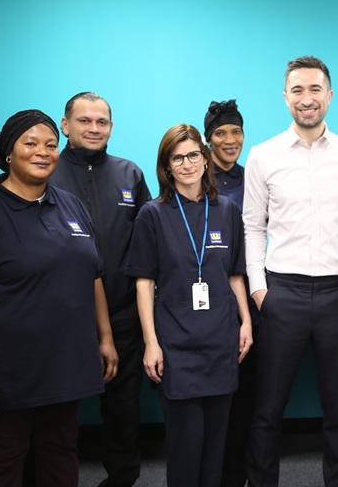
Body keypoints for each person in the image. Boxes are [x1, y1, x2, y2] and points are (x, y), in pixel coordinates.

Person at [243, 55, 338, 487]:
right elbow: (252, 227)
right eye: (297, 90)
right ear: (285, 97)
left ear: (329, 96)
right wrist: (261, 291)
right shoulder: (263, 156)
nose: (306, 98)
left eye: (315, 89)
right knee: (267, 409)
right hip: (282, 294)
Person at [0, 109, 117, 486]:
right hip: (10, 372)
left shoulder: (71, 205)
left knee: (60, 454)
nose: (43, 152)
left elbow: (94, 275)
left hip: (66, 364)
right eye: (31, 143)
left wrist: (104, 338)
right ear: (9, 152)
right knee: (4, 460)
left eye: (51, 145)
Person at [125, 124, 252, 487]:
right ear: (166, 166)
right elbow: (144, 282)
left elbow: (235, 276)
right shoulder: (153, 213)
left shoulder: (226, 210)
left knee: (216, 446)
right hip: (176, 344)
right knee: (186, 444)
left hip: (221, 340)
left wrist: (245, 323)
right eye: (176, 158)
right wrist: (151, 342)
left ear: (205, 157)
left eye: (193, 154)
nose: (186, 164)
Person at [48, 91, 151, 487]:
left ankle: (123, 478)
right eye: (84, 121)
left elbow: (147, 243)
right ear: (65, 125)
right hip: (62, 317)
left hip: (122, 312)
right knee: (57, 411)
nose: (94, 128)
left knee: (123, 408)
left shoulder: (130, 174)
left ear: (111, 127)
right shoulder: (46, 170)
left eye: (102, 122)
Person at [203, 99, 259, 487]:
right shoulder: (191, 176)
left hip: (249, 297)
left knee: (246, 394)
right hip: (205, 305)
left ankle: (236, 476)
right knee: (210, 396)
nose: (229, 139)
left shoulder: (253, 176)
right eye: (221, 133)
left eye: (236, 132)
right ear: (208, 140)